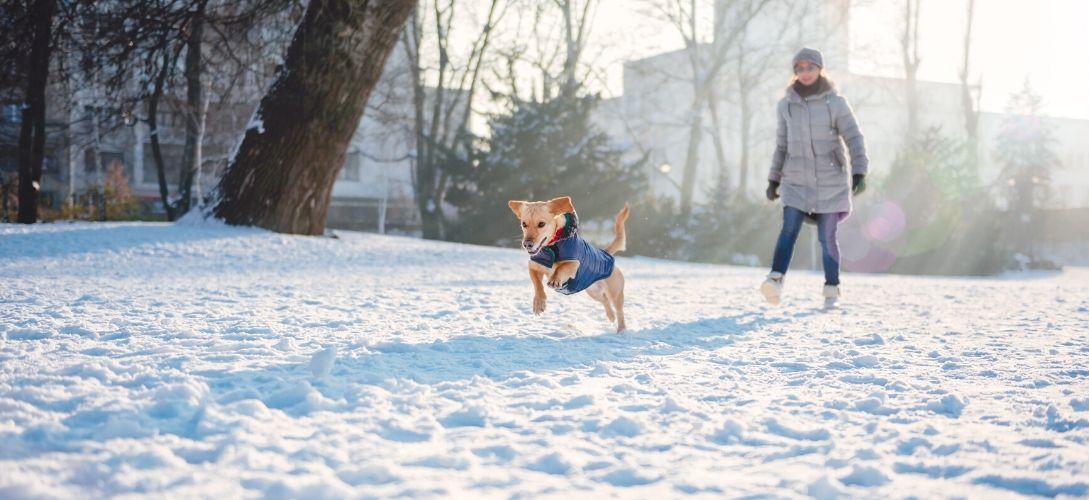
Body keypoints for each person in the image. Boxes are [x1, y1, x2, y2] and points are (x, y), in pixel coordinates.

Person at [762, 47, 869, 307]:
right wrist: (774, 179)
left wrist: (859, 171)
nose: (805, 73)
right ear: (795, 72)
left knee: (827, 237)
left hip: (830, 181)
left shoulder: (835, 102)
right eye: (800, 68)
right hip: (795, 180)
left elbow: (853, 137)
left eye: (810, 67)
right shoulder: (786, 105)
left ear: (820, 69)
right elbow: (782, 146)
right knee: (788, 229)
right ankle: (775, 281)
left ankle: (831, 286)